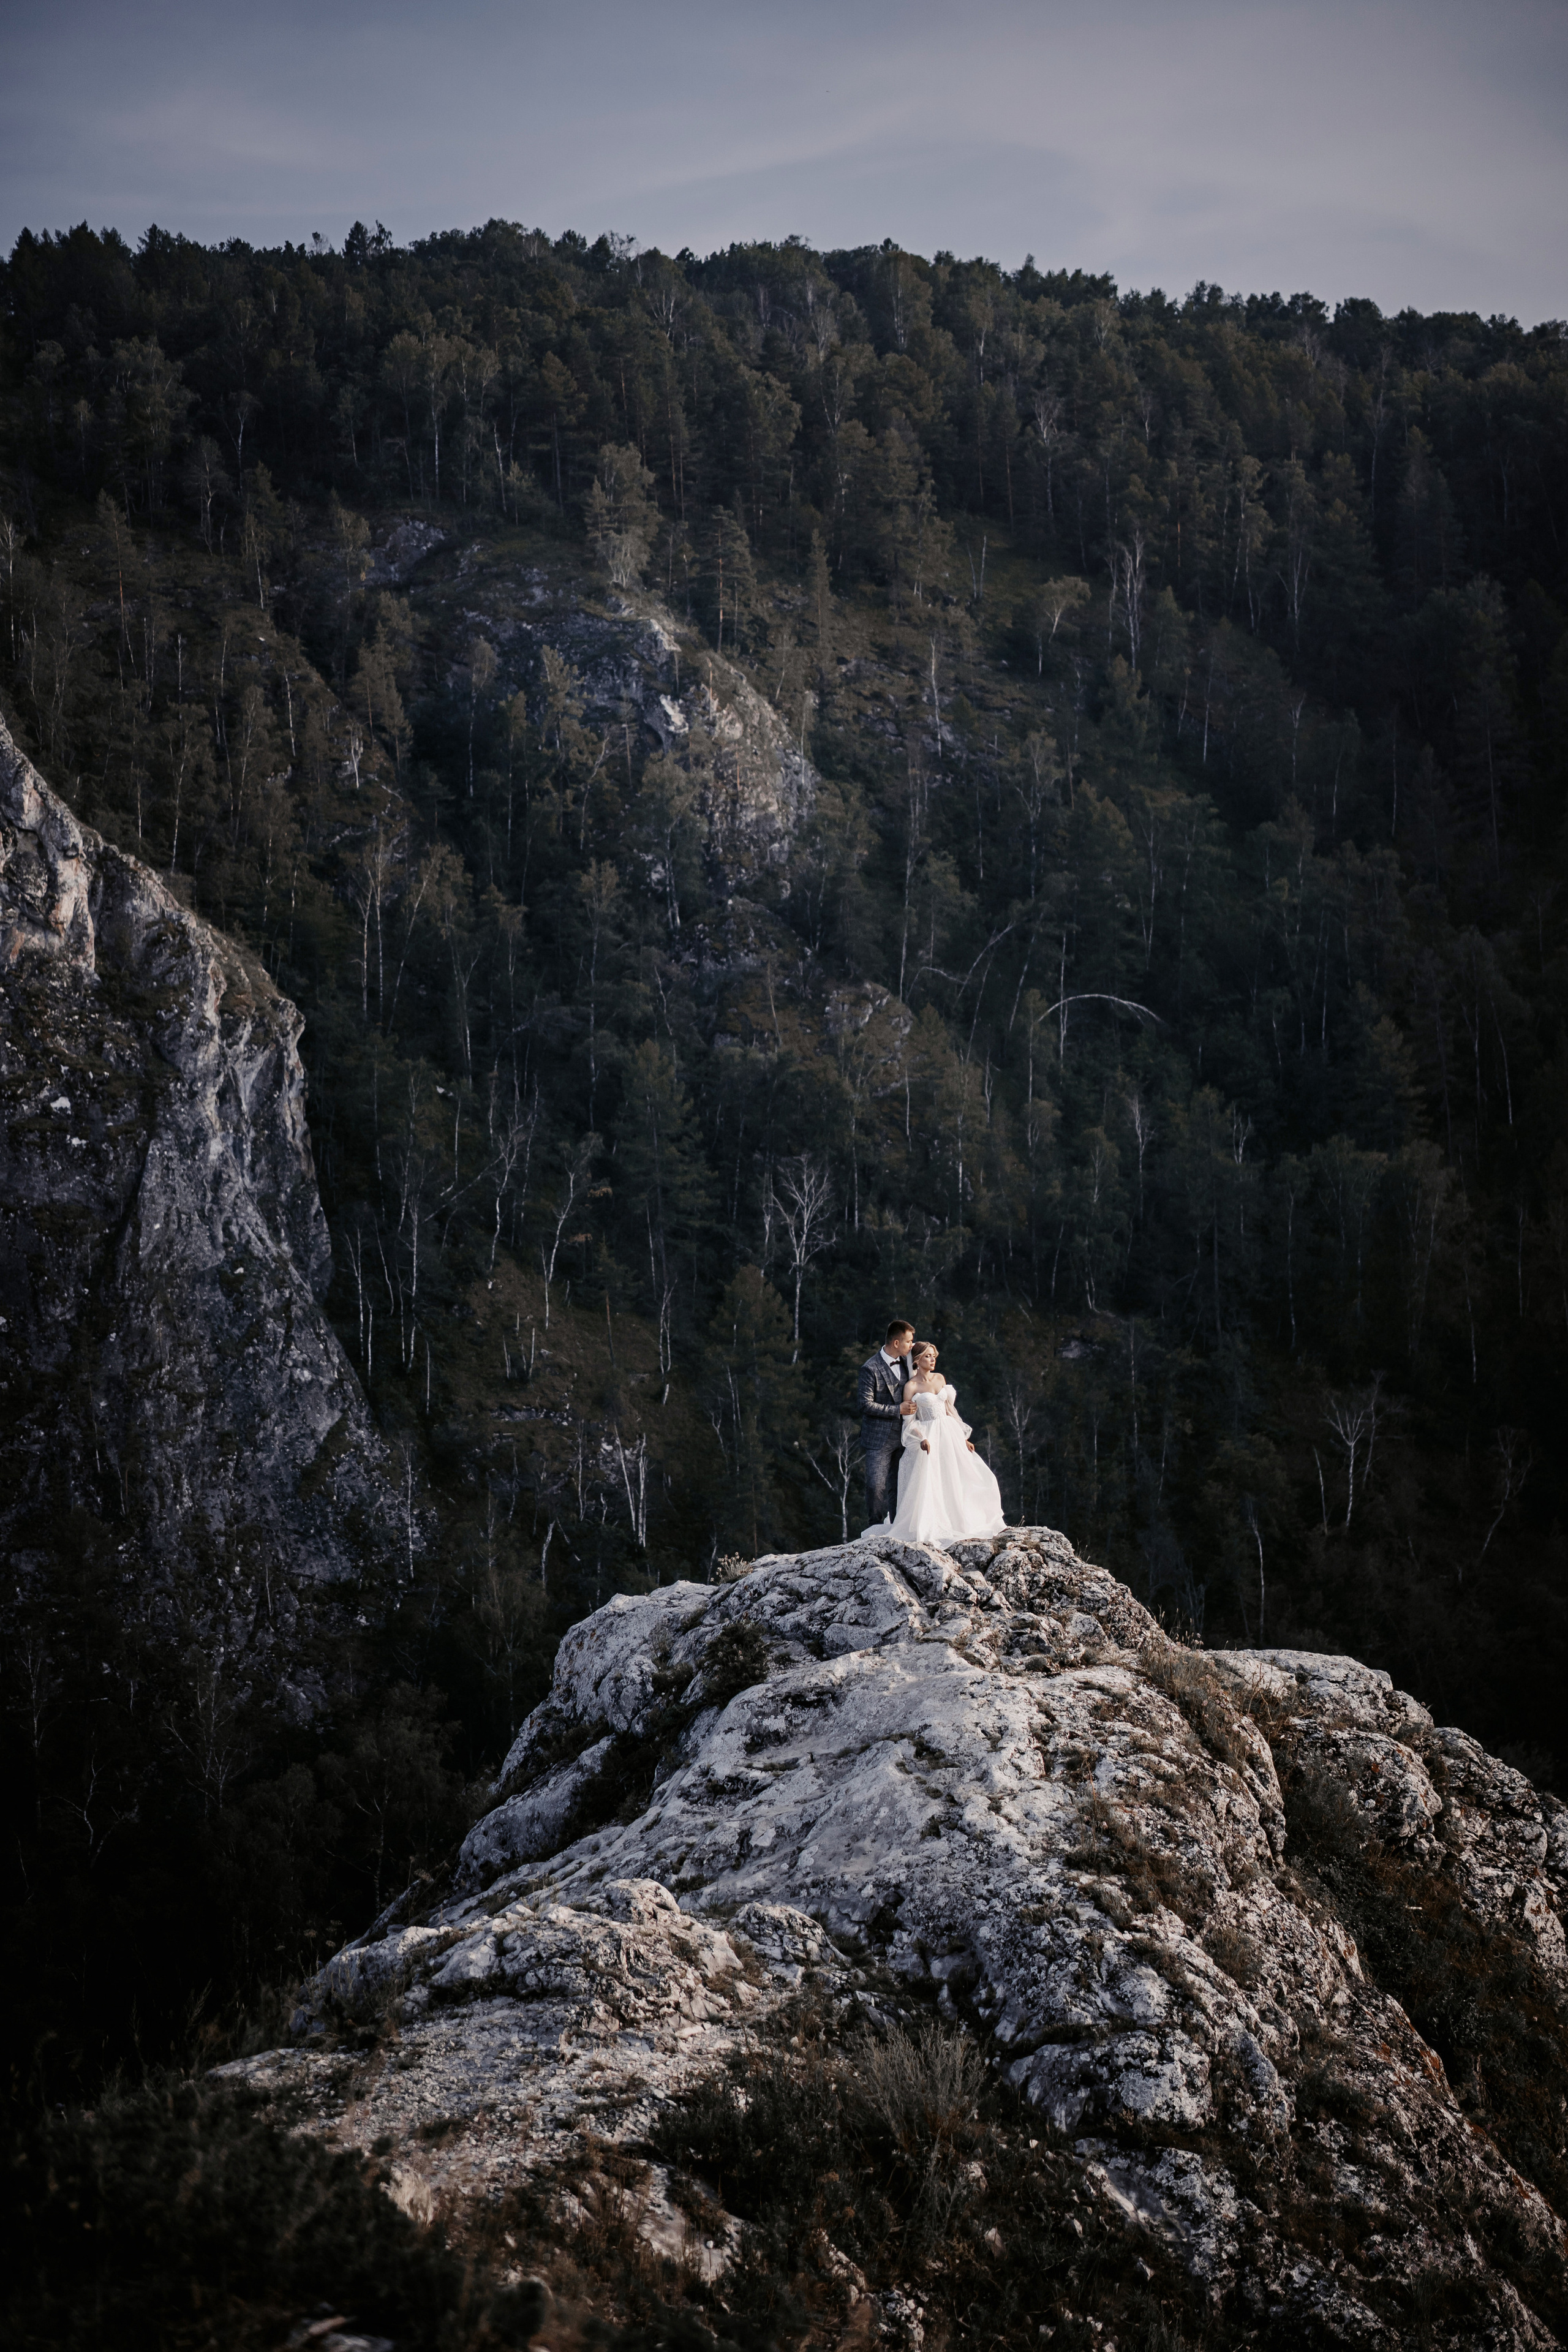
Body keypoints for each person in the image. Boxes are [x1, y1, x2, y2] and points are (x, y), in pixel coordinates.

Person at [877, 1341, 1005, 1546]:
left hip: (949, 1432)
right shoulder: (911, 1387)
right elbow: (909, 1420)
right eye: (928, 1356)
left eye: (934, 1356)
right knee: (933, 1480)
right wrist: (921, 1439)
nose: (933, 1359)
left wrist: (964, 1438)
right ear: (917, 1360)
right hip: (928, 1435)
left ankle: (962, 1518)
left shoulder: (940, 1379)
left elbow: (949, 1410)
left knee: (961, 1475)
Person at [858, 1317, 917, 1529]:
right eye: (909, 1342)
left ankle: (897, 1527)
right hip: (879, 1438)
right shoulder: (870, 1368)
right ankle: (874, 1529)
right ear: (896, 1343)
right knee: (876, 1486)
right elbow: (865, 1405)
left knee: (900, 1485)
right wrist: (897, 1410)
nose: (912, 1346)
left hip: (904, 1435)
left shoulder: (907, 1363)